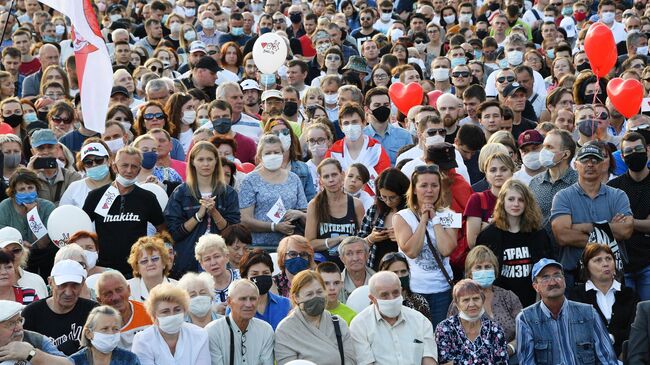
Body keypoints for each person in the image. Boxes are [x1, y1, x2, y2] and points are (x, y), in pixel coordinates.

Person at [551, 143, 634, 288]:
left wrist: (585, 227)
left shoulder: (618, 195)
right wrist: (608, 232)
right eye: (584, 160)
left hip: (613, 275)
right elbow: (562, 236)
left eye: (595, 160)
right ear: (575, 165)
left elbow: (626, 230)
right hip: (574, 276)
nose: (590, 164)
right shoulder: (563, 197)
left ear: (603, 165)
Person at [516, 258, 618, 364]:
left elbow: (607, 360)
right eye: (545, 277)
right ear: (535, 286)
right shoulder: (525, 319)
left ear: (564, 280)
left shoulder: (589, 313)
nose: (553, 282)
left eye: (557, 275)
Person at [83, 146, 165, 276]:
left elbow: (163, 230)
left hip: (137, 268)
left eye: (134, 166)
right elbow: (83, 230)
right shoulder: (96, 196)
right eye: (124, 165)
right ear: (115, 167)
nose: (129, 170)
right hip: (104, 269)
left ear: (139, 170)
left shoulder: (147, 198)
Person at [393, 164, 458, 326]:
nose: (429, 190)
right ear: (414, 189)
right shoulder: (401, 217)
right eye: (424, 185)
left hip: (442, 290)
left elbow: (446, 249)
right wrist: (423, 220)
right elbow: (412, 251)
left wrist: (434, 219)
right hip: (414, 290)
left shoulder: (450, 215)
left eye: (434, 185)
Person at [164, 141, 240, 277]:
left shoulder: (229, 193)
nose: (206, 164)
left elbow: (233, 232)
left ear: (216, 161)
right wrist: (198, 215)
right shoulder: (180, 192)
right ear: (192, 162)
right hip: (188, 260)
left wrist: (214, 212)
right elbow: (173, 233)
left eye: (210, 159)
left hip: (221, 260)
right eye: (201, 159)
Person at [475, 179, 554, 307]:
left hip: (532, 302)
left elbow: (547, 270)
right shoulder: (488, 235)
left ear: (527, 203)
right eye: (511, 199)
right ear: (502, 201)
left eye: (521, 200)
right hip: (498, 304)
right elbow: (477, 270)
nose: (516, 204)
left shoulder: (539, 234)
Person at [448, 246, 522, 358]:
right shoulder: (460, 301)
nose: (484, 271)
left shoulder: (508, 297)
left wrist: (510, 348)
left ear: (495, 270)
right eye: (478, 268)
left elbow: (525, 330)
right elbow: (450, 338)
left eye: (488, 267)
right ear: (469, 273)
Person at [349, 271, 436, 364]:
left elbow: (429, 360)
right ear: (373, 298)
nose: (391, 299)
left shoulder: (420, 320)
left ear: (401, 291)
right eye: (385, 295)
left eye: (395, 293)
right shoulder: (359, 325)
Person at [567, 244, 638, 357]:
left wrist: (617, 343)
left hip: (626, 356)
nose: (605, 264)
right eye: (598, 260)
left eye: (609, 258)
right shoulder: (577, 296)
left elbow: (635, 329)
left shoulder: (629, 294)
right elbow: (577, 331)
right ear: (586, 266)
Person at [239, 135, 308, 248]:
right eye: (268, 153)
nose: (273, 156)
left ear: (283, 154)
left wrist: (299, 214)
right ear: (260, 156)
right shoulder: (250, 180)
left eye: (276, 152)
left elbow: (306, 214)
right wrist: (274, 226)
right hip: (259, 246)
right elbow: (245, 220)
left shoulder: (294, 179)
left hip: (289, 247)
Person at [275, 270, 357, 365]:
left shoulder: (338, 324)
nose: (316, 297)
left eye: (319, 292)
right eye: (309, 294)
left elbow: (350, 360)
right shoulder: (285, 330)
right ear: (296, 297)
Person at [607, 131, 650, 301]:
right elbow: (611, 226)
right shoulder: (614, 188)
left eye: (638, 149)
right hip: (622, 264)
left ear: (647, 151)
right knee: (627, 318)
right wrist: (642, 223)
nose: (634, 154)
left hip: (648, 263)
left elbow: (621, 225)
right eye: (629, 152)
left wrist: (628, 222)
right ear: (623, 158)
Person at [22, 260, 98, 355]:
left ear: (83, 284)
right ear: (50, 282)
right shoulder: (31, 313)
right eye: (62, 285)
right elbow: (24, 351)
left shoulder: (94, 312)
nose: (68, 292)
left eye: (75, 285)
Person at [131, 283, 210, 364]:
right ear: (154, 316)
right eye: (165, 311)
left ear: (184, 310)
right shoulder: (142, 340)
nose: (172, 315)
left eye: (177, 310)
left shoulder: (200, 335)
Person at [435, 279, 510, 364]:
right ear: (457, 304)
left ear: (483, 300)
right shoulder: (444, 329)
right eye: (466, 300)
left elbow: (502, 362)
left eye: (476, 298)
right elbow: (445, 363)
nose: (472, 304)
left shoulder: (495, 329)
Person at [305, 158, 364, 266]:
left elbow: (364, 239)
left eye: (334, 175)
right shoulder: (314, 205)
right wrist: (338, 239)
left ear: (342, 175)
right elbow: (310, 243)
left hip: (351, 265)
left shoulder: (356, 204)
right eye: (326, 176)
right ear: (320, 181)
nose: (331, 180)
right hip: (323, 266)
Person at [0, 167, 55, 280]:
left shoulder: (47, 207)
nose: (27, 192)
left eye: (30, 188)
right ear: (14, 192)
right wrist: (18, 244)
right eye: (22, 189)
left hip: (41, 256)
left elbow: (42, 244)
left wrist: (32, 214)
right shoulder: (4, 207)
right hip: (12, 255)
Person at [325, 103, 390, 196]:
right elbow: (327, 181)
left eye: (355, 122)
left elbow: (385, 181)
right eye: (346, 123)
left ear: (364, 123)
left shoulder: (376, 149)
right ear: (341, 127)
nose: (351, 126)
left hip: (372, 203)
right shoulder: (333, 152)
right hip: (341, 202)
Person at [205, 279, 275, 365]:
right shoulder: (213, 331)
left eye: (253, 299)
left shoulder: (265, 330)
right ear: (229, 302)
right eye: (243, 299)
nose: (249, 304)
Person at [358, 168, 409, 271]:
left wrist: (402, 238)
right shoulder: (374, 211)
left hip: (405, 269)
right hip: (377, 268)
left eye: (393, 197)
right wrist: (371, 238)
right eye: (383, 197)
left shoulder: (411, 213)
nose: (388, 201)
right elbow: (357, 244)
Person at [529, 129, 578, 231]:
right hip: (541, 244)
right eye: (544, 146)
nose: (543, 151)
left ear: (565, 154)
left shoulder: (580, 182)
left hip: (570, 242)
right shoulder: (535, 182)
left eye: (549, 147)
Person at [465, 152, 515, 249]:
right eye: (493, 170)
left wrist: (487, 227)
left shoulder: (520, 198)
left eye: (503, 169)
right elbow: (472, 242)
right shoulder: (476, 200)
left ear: (512, 172)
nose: (498, 174)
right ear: (486, 174)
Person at [0, 300, 72, 365]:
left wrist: (31, 354)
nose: (19, 328)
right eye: (10, 324)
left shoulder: (36, 340)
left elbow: (69, 363)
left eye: (19, 321)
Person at [95, 271, 153, 351]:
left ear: (129, 290)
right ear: (99, 300)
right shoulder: (96, 326)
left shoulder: (149, 312)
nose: (116, 297)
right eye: (108, 294)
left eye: (119, 290)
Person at [239, 248, 291, 330]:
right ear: (245, 277)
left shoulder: (286, 304)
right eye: (255, 274)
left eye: (266, 273)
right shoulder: (236, 306)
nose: (261, 276)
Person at [70, 305, 142, 365]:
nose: (110, 333)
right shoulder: (74, 361)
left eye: (115, 329)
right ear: (89, 334)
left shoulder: (129, 360)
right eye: (105, 329)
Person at [59, 140, 114, 208]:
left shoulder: (120, 186)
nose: (94, 164)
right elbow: (62, 213)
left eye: (99, 160)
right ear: (83, 166)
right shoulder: (74, 188)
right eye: (88, 162)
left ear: (108, 161)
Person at [195, 233, 239, 314]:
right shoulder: (199, 287)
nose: (213, 262)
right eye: (207, 259)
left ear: (226, 257)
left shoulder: (241, 277)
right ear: (201, 264)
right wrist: (214, 311)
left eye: (217, 256)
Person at [0, 227, 48, 299]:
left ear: (23, 252)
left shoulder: (36, 281)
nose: (11, 256)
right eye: (5, 251)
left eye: (15, 250)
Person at [126, 236, 177, 302]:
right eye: (144, 261)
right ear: (137, 267)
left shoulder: (179, 288)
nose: (150, 264)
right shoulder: (127, 289)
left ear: (164, 262)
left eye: (155, 259)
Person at [337, 237, 375, 302]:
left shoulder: (378, 280)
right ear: (342, 258)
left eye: (359, 252)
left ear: (367, 255)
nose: (355, 258)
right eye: (349, 254)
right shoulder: (335, 284)